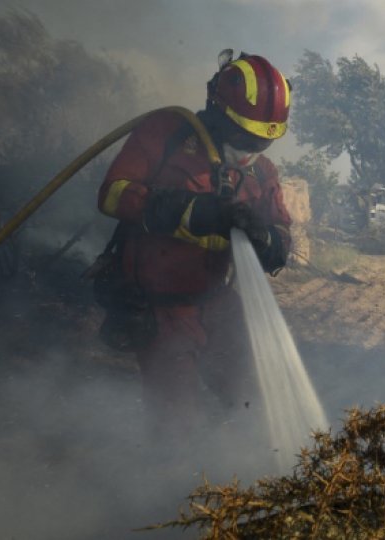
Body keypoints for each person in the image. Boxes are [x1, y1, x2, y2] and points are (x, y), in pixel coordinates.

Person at [93, 50, 293, 442]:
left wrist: (265, 238)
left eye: (262, 141)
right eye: (243, 136)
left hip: (217, 302)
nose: (251, 149)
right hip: (159, 309)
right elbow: (112, 194)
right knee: (177, 426)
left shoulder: (261, 172)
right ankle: (174, 491)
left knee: (254, 400)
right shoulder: (166, 134)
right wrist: (189, 211)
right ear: (218, 113)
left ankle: (242, 477)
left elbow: (282, 237)